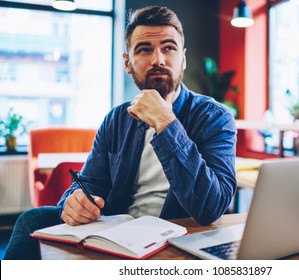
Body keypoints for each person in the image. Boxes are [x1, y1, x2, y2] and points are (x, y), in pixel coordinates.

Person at [4, 6, 236, 260]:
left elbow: (210, 207)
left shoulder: (215, 117)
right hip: (117, 230)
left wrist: (166, 122)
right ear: (127, 62)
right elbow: (90, 183)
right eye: (144, 49)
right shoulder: (116, 119)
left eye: (169, 48)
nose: (158, 59)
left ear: (183, 58)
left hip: (177, 232)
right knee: (31, 218)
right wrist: (75, 201)